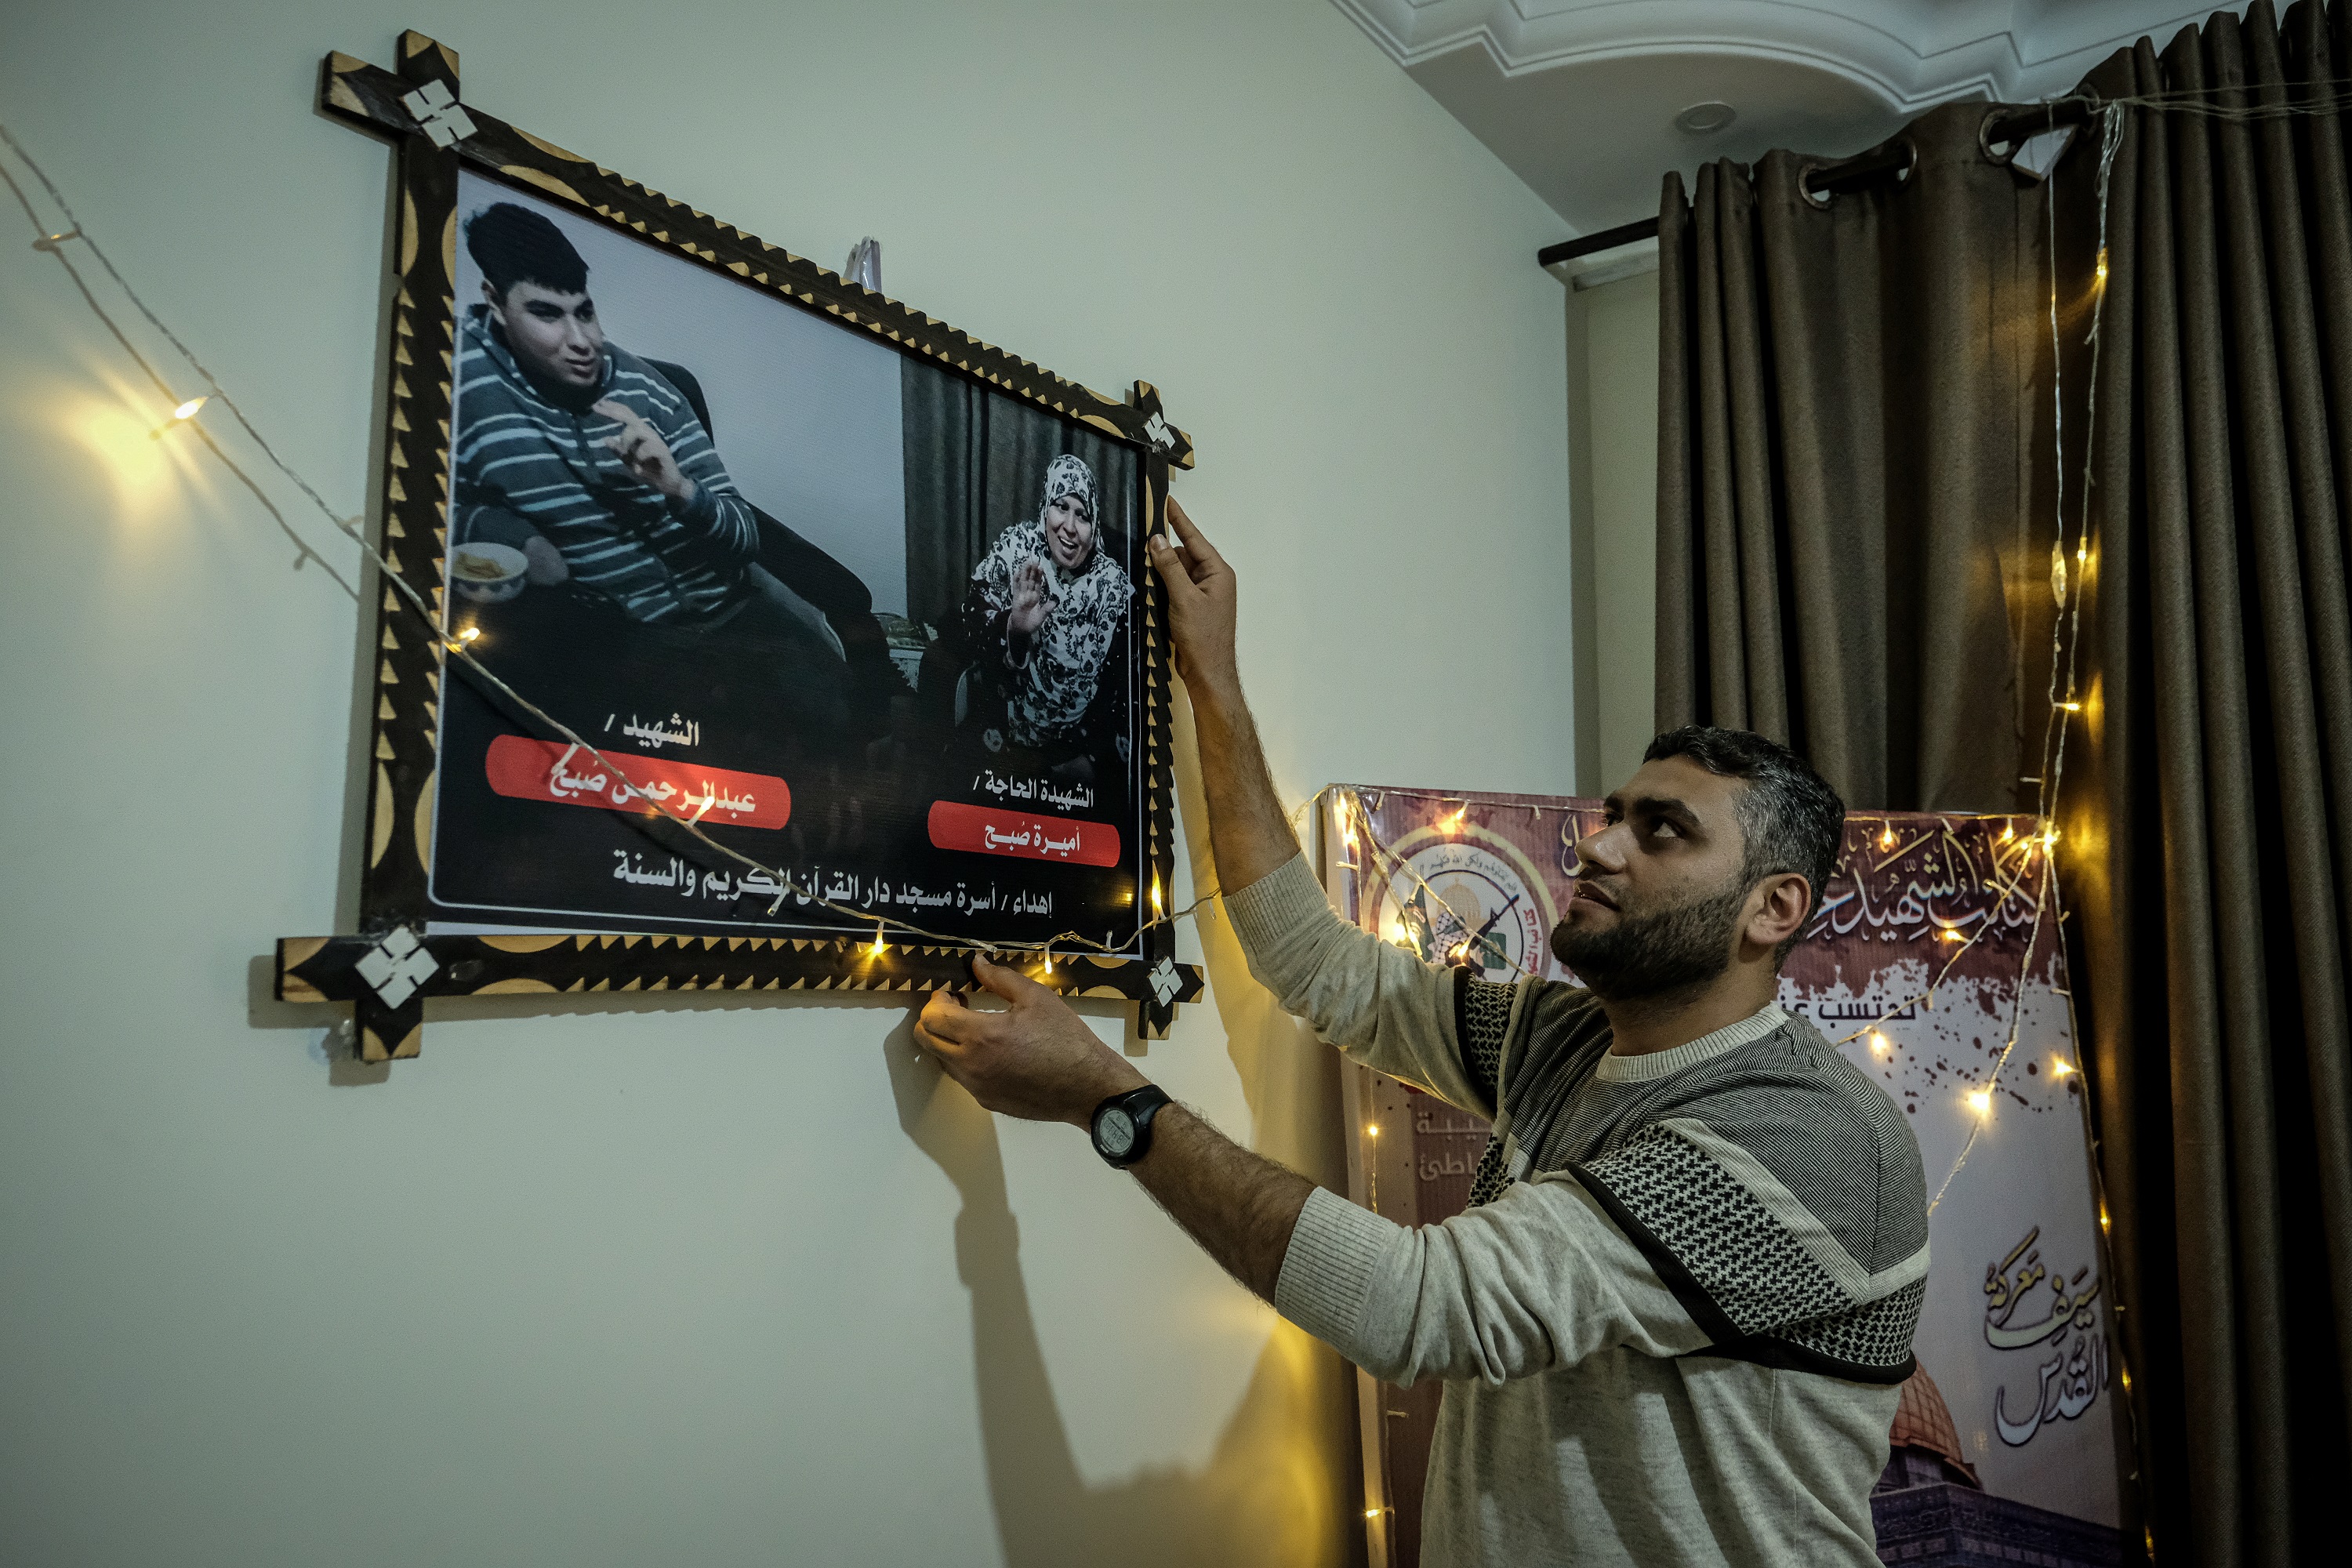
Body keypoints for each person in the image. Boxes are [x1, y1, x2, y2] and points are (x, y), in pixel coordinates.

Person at [911, 498, 1928, 1567]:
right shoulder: (1571, 1040)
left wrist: (1107, 1100)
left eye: (1661, 832)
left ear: (1775, 910)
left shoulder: (1804, 1141)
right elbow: (1320, 966)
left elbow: (1415, 1304)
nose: (1599, 848)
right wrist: (1212, 678)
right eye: (1614, 814)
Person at [452, 202, 848, 716]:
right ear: (496, 303)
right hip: (616, 638)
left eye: (585, 311)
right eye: (547, 313)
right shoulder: (462, 376)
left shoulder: (648, 393)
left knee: (831, 705)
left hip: (727, 612)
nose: (583, 342)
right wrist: (513, 535)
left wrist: (679, 488)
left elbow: (745, 537)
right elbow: (428, 497)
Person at [943, 453, 1131, 781]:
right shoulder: (1016, 550)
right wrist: (1014, 627)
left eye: (1083, 516)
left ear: (1094, 524)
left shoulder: (1111, 588)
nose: (1070, 528)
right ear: (1046, 505)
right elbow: (963, 627)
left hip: (1075, 748)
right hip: (1002, 728)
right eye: (1061, 507)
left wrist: (1090, 759)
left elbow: (1125, 690)